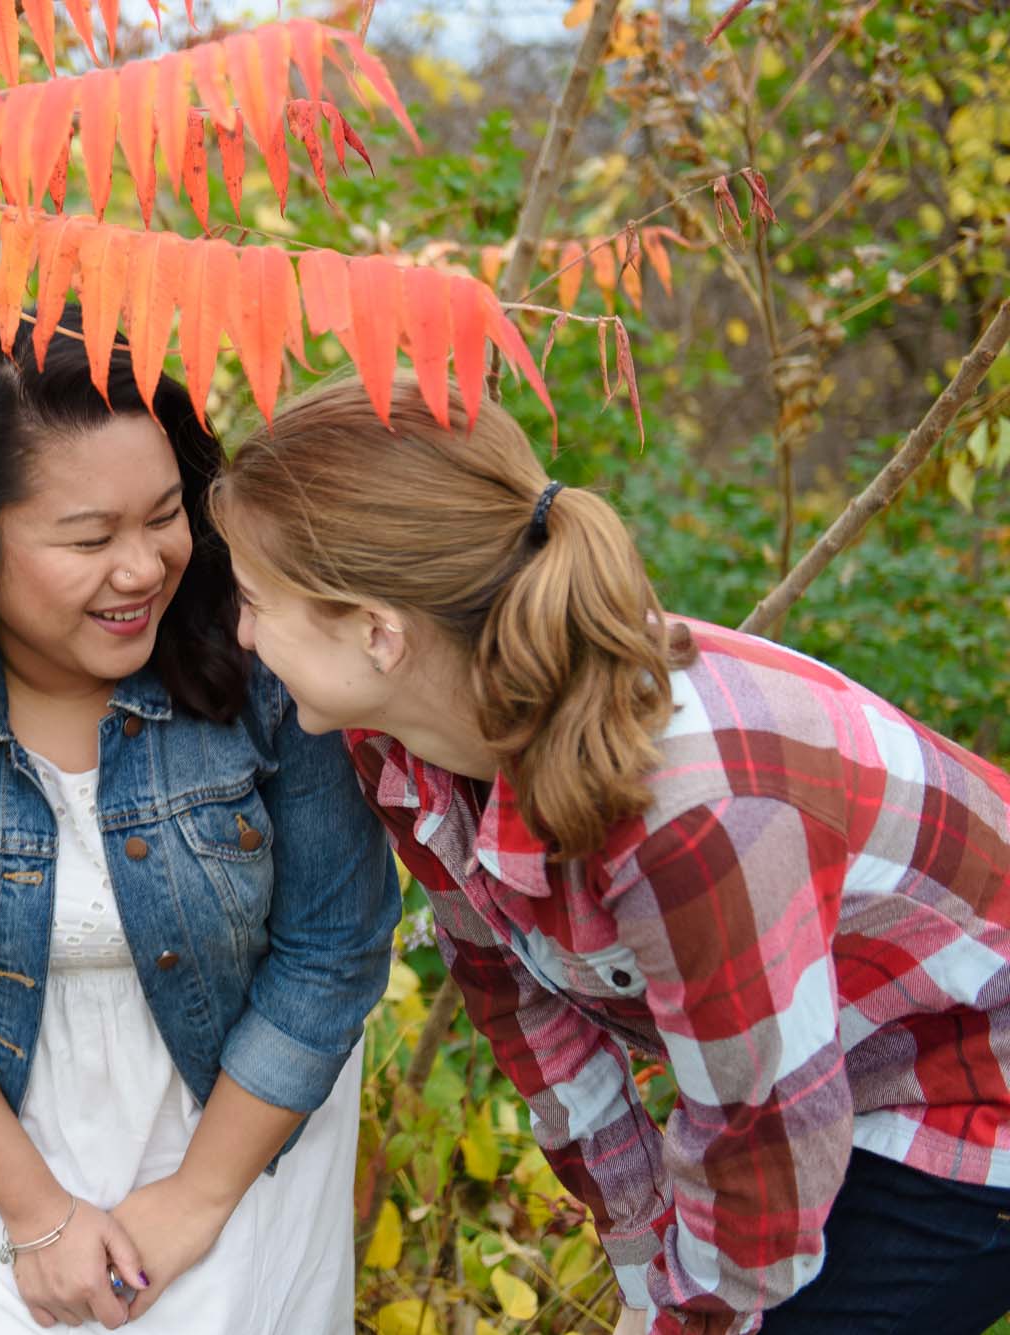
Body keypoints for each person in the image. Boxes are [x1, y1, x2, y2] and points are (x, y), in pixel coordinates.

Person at [209, 372, 1010, 1335]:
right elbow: (519, 1005)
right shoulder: (403, 745)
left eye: (256, 600)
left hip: (968, 1084)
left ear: (380, 631)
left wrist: (688, 1315)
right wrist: (640, 1264)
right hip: (820, 1075)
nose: (243, 636)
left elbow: (760, 1137)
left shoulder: (690, 817)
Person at [0, 308, 399, 1333]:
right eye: (88, 538)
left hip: (241, 1163)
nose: (142, 568)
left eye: (163, 516)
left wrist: (196, 1200)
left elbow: (333, 947)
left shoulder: (263, 663)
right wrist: (35, 1217)